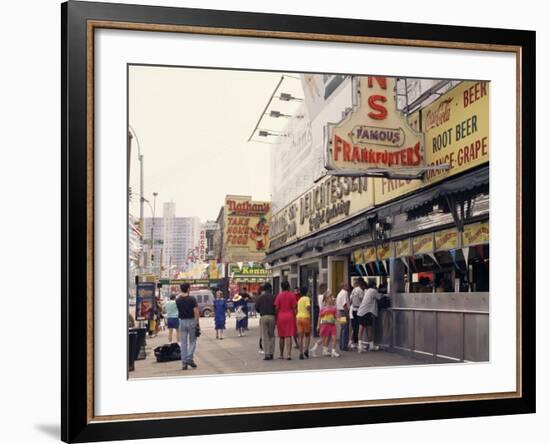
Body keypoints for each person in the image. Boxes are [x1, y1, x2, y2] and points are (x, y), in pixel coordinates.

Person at [176, 283, 200, 370]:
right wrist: (197, 322)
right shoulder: (192, 299)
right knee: (193, 341)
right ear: (188, 289)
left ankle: (184, 363)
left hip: (182, 321)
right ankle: (189, 358)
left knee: (183, 343)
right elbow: (196, 311)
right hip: (191, 321)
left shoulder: (177, 300)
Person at [357, 280, 383, 353]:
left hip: (360, 311)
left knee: (361, 328)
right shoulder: (373, 291)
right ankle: (371, 346)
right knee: (369, 329)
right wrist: (382, 293)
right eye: (375, 285)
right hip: (367, 312)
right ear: (374, 285)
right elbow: (379, 297)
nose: (376, 287)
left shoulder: (367, 291)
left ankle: (359, 346)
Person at [274, 281, 297, 360]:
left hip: (281, 317)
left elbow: (276, 307)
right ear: (288, 287)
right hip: (290, 317)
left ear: (281, 287)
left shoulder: (279, 296)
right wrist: (295, 316)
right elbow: (294, 308)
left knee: (281, 337)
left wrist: (276, 316)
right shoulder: (292, 295)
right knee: (289, 336)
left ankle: (281, 354)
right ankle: (289, 355)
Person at [255, 282, 276, 360]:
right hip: (272, 317)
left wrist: (261, 311)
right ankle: (271, 353)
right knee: (272, 335)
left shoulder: (260, 297)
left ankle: (267, 354)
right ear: (270, 289)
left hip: (263, 317)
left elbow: (256, 307)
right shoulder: (274, 297)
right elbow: (276, 307)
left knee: (265, 336)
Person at [317, 290, 339, 357]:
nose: (331, 298)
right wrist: (318, 325)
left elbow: (336, 316)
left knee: (334, 338)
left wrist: (340, 320)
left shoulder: (334, 308)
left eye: (331, 297)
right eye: (329, 297)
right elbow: (319, 317)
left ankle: (333, 351)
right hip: (326, 325)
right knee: (326, 338)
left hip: (332, 325)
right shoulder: (323, 308)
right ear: (326, 299)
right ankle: (324, 350)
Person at [296, 286, 312, 359]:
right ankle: (306, 350)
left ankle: (300, 352)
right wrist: (309, 309)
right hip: (305, 317)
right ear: (306, 292)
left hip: (298, 318)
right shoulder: (307, 298)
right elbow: (308, 307)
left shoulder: (299, 300)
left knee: (300, 336)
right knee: (307, 335)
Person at [349, 278, 366, 349]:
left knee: (354, 327)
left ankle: (351, 342)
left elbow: (350, 300)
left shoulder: (353, 290)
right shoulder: (360, 290)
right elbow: (362, 300)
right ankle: (359, 343)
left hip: (353, 309)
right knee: (360, 327)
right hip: (359, 309)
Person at [335, 283, 351, 351]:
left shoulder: (340, 293)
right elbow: (344, 304)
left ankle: (341, 345)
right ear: (344, 287)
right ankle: (344, 345)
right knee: (345, 329)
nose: (348, 286)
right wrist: (347, 312)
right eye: (347, 285)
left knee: (342, 328)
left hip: (340, 312)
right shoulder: (345, 293)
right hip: (343, 312)